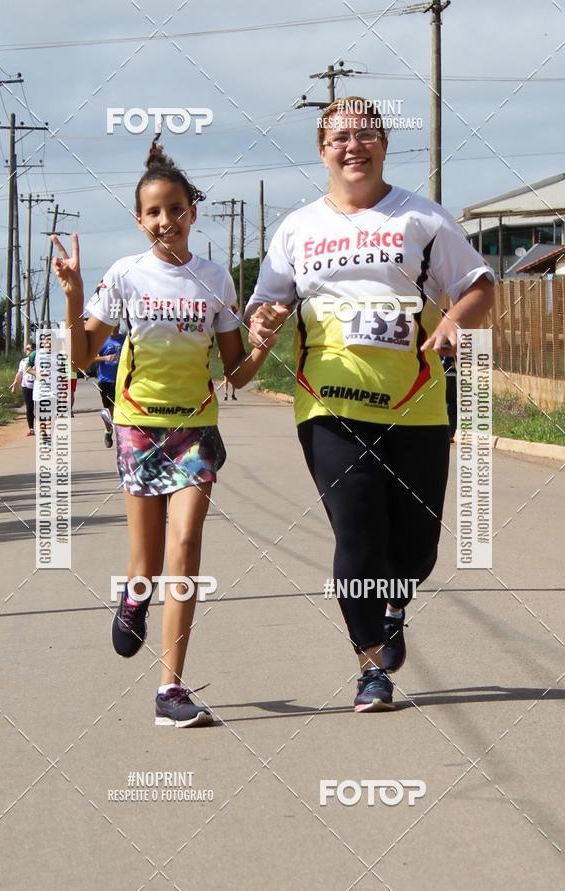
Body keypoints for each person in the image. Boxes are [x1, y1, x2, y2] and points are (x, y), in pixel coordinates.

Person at [246, 97, 495, 713]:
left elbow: (480, 284)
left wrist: (455, 325)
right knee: (357, 536)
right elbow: (263, 306)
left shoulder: (423, 219)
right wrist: (264, 321)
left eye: (365, 135)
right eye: (339, 138)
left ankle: (392, 604)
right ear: (321, 149)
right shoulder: (298, 229)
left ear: (385, 143)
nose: (352, 146)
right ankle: (370, 667)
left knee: (416, 547)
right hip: (328, 404)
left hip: (417, 403)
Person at [50, 138, 277, 727]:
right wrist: (74, 295)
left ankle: (170, 689)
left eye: (175, 209)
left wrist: (261, 346)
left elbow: (236, 375)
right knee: (146, 564)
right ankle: (132, 598)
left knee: (185, 547)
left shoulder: (214, 279)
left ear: (191, 213)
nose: (164, 221)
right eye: (153, 212)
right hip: (138, 428)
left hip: (196, 429)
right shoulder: (125, 275)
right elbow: (81, 358)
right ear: (139, 220)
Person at [94, 324, 125, 447]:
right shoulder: (102, 340)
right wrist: (105, 357)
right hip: (106, 380)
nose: (115, 326)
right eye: (112, 323)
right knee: (108, 410)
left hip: (122, 380)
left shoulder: (124, 339)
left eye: (117, 323)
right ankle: (108, 431)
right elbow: (91, 358)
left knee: (123, 409)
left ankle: (123, 435)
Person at [11, 341, 36, 435]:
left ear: (34, 350)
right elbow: (19, 373)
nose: (26, 351)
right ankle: (31, 429)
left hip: (38, 386)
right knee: (29, 408)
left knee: (39, 407)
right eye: (26, 349)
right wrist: (14, 385)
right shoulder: (23, 361)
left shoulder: (39, 360)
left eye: (28, 349)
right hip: (26, 386)